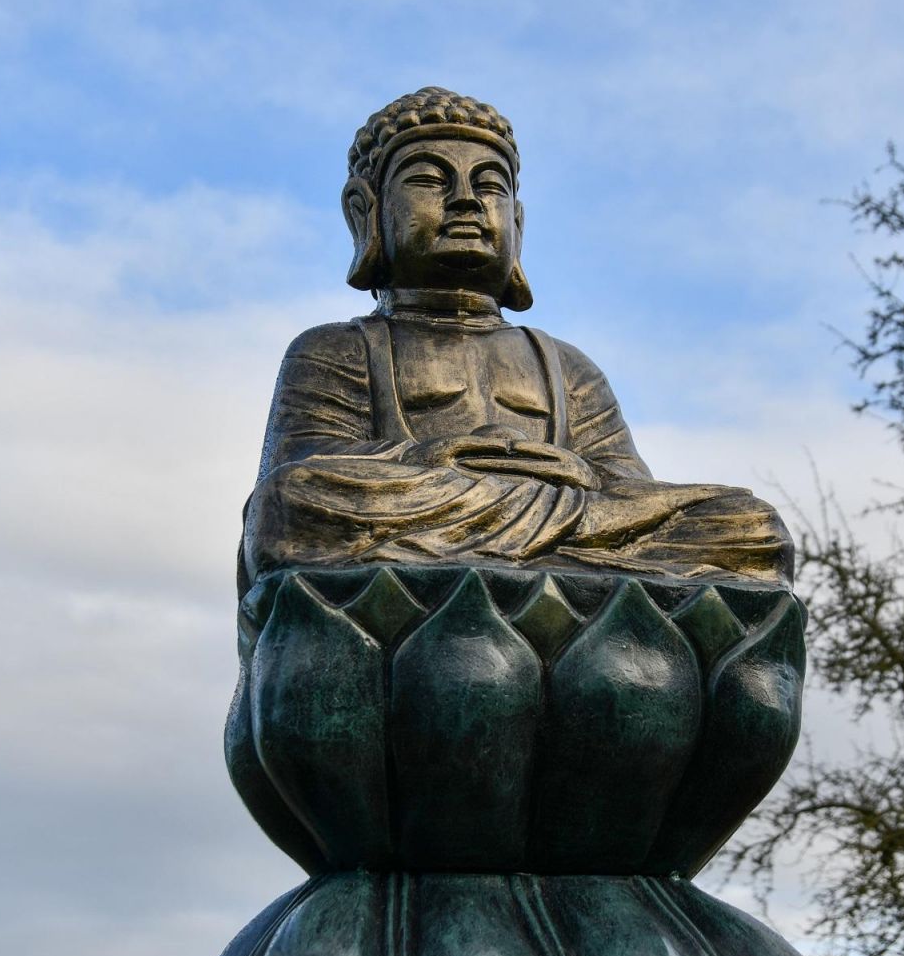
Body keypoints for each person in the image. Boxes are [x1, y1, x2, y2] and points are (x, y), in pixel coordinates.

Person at [241, 87, 792, 592]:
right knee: (292, 502)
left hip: (563, 515)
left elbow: (625, 484)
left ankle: (532, 554)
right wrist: (433, 457)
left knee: (750, 526)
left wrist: (581, 472)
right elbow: (306, 463)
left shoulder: (566, 365)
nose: (465, 201)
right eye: (430, 180)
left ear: (517, 223)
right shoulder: (335, 349)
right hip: (430, 500)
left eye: (489, 185)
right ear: (367, 212)